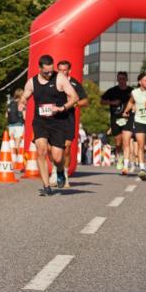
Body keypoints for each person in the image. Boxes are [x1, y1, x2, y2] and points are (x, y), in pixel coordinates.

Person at [18, 55, 80, 196]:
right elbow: (25, 96)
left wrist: (63, 108)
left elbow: (74, 97)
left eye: (51, 71)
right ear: (39, 69)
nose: (49, 74)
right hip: (41, 122)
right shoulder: (32, 82)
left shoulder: (59, 78)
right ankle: (46, 186)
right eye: (46, 72)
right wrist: (22, 103)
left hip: (59, 122)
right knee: (41, 151)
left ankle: (59, 171)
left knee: (58, 158)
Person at [54, 60, 89, 185]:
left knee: (67, 148)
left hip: (68, 118)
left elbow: (85, 102)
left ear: (69, 71)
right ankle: (56, 172)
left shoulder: (74, 83)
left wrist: (73, 103)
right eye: (60, 70)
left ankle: (65, 175)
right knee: (52, 147)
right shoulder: (52, 81)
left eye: (65, 70)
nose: (62, 72)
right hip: (53, 118)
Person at [100, 71, 133, 175]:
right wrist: (111, 102)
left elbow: (137, 102)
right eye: (120, 78)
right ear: (117, 79)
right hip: (115, 119)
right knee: (118, 142)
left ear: (127, 79)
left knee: (126, 141)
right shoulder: (112, 91)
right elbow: (101, 101)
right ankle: (120, 156)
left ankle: (126, 165)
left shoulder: (132, 91)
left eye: (123, 78)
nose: (121, 80)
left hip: (128, 119)